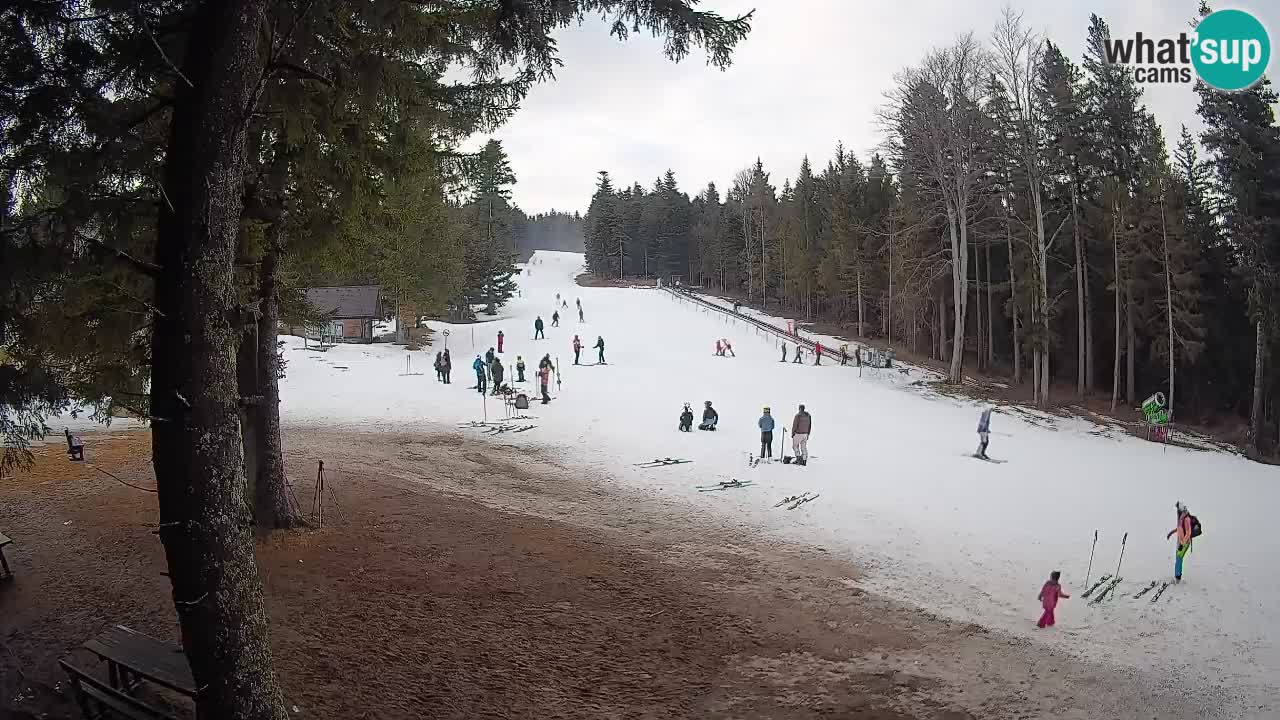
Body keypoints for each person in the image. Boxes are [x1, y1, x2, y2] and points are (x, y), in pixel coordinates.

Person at [1166, 502, 1195, 582]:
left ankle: (1178, 578)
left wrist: (1182, 544)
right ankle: (1177, 576)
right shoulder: (1181, 518)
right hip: (1180, 542)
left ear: (1180, 510)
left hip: (1184, 543)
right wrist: (1171, 533)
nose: (1177, 511)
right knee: (1178, 559)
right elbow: (1179, 528)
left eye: (1177, 509)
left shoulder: (1186, 519)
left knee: (1179, 559)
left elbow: (1188, 532)